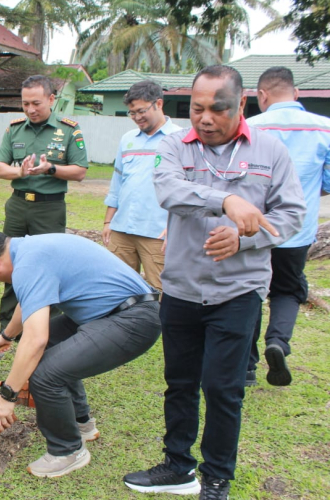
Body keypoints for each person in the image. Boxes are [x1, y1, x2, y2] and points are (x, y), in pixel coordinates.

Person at [123, 65, 306, 500]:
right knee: (180, 383)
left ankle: (217, 478)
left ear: (241, 103)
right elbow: (169, 191)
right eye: (197, 108)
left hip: (237, 292)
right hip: (181, 289)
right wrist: (226, 200)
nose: (205, 119)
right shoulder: (174, 146)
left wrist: (244, 238)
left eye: (217, 109)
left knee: (224, 390)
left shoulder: (270, 151)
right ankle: (177, 466)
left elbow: (291, 214)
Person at [0, 229, 161, 478]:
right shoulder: (29, 250)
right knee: (51, 347)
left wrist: (6, 396)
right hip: (111, 311)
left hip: (133, 320)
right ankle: (82, 424)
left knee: (44, 374)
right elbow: (28, 303)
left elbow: (36, 340)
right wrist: (6, 336)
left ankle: (67, 451)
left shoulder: (28, 264)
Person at [244, 66, 330, 387]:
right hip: (297, 230)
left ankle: (247, 366)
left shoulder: (250, 127)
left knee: (250, 291)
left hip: (252, 229)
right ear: (296, 93)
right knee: (288, 290)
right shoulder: (324, 128)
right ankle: (278, 342)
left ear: (262, 95)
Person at [0, 75, 89, 332]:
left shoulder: (68, 130)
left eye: (36, 103)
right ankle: (8, 326)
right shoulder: (15, 129)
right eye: (25, 104)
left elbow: (80, 171)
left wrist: (50, 169)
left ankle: (47, 328)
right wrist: (20, 172)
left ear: (51, 99)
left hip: (49, 208)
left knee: (48, 266)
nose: (30, 109)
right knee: (11, 262)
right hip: (18, 206)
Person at [103, 80, 181, 290]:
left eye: (141, 111)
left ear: (159, 104)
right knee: (117, 288)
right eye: (132, 113)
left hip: (157, 232)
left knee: (161, 290)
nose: (137, 117)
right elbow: (118, 182)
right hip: (122, 229)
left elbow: (187, 189)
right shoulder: (128, 139)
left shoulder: (179, 139)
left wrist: (175, 227)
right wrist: (108, 222)